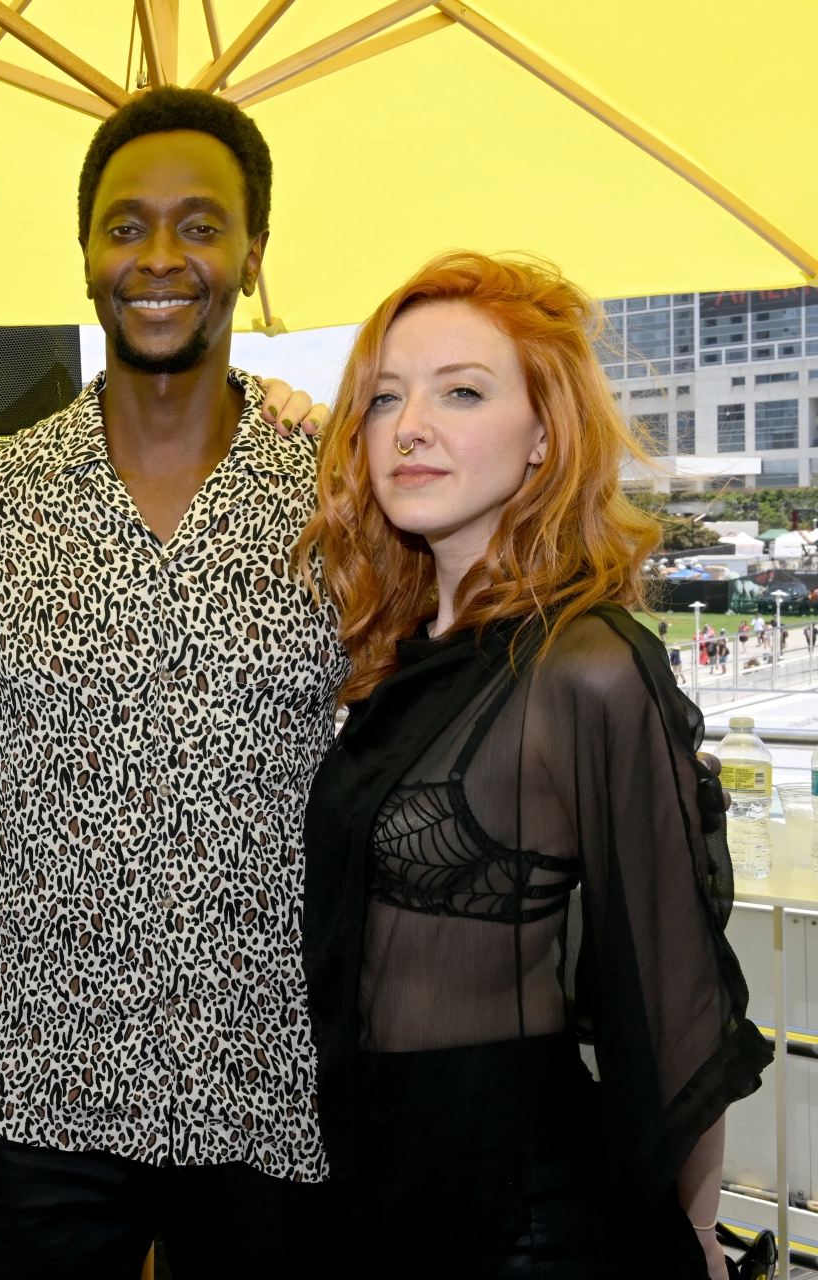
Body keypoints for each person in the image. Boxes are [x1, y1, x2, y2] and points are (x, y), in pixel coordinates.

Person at [0, 87, 344, 1277]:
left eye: (200, 225)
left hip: (273, 1084)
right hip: (36, 1089)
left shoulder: (339, 497)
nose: (161, 258)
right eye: (127, 227)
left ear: (252, 255)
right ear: (84, 257)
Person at [296, 251, 768, 1277]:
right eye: (383, 396)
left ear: (545, 436)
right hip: (380, 1184)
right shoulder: (407, 655)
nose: (409, 423)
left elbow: (677, 996)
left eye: (462, 390)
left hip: (522, 1219)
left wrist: (695, 1240)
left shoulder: (586, 667)